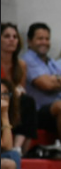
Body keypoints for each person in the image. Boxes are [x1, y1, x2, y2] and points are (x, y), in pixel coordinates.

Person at [22, 22, 61, 152]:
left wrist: (57, 79)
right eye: (40, 38)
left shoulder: (51, 62)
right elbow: (46, 85)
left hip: (56, 111)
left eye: (47, 39)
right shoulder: (28, 59)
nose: (44, 42)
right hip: (38, 112)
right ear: (29, 41)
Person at [1, 79, 44, 169]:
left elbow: (6, 145)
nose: (2, 98)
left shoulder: (5, 114)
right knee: (12, 155)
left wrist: (5, 115)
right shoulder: (3, 114)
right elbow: (7, 147)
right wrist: (4, 115)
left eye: (5, 94)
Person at [1, 22, 38, 155]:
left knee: (28, 101)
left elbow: (20, 88)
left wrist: (17, 92)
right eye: (7, 36)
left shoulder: (21, 65)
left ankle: (18, 148)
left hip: (13, 100)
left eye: (15, 37)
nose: (12, 39)